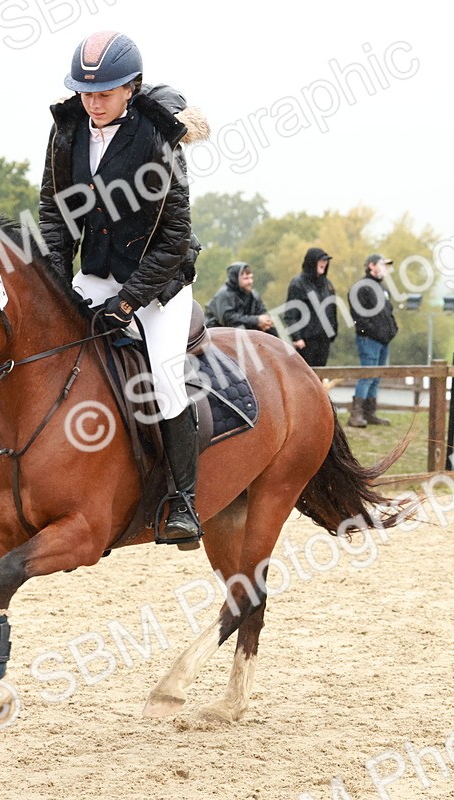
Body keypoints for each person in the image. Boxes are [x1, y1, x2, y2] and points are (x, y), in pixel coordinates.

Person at [38, 30, 209, 547]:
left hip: (159, 285)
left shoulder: (158, 139)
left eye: (104, 92)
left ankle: (183, 502)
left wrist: (129, 301)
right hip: (95, 273)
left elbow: (174, 238)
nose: (93, 101)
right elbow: (55, 212)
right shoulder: (67, 130)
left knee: (165, 378)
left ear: (131, 88)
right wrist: (54, 280)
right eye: (86, 91)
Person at [348, 254, 399, 427]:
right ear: (371, 265)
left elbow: (388, 312)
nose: (386, 268)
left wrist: (392, 329)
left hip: (383, 340)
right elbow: (358, 317)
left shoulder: (382, 288)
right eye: (382, 265)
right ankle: (356, 415)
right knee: (367, 375)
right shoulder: (361, 287)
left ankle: (369, 413)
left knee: (376, 377)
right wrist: (371, 332)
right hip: (368, 340)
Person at [283, 247, 338, 367]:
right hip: (306, 341)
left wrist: (333, 332)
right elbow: (290, 315)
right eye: (321, 260)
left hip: (324, 339)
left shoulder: (328, 284)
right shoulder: (298, 284)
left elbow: (332, 310)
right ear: (312, 262)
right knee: (304, 377)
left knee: (320, 378)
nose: (324, 263)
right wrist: (297, 337)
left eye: (326, 260)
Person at [204, 262, 277, 336]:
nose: (250, 282)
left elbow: (262, 310)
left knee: (270, 331)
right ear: (235, 278)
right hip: (220, 335)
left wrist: (265, 321)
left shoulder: (253, 294)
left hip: (245, 330)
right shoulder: (224, 295)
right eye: (246, 278)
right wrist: (256, 320)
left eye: (251, 278)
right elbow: (229, 320)